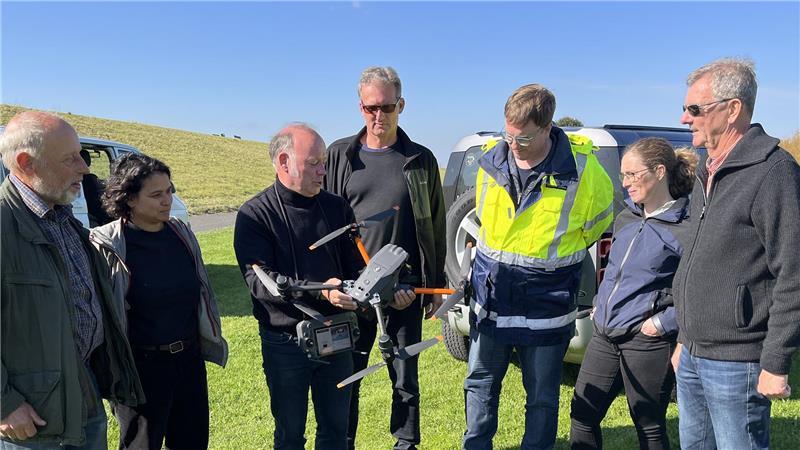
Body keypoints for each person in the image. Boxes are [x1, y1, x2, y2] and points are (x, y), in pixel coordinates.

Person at [464, 84, 614, 450]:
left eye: (525, 138)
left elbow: (597, 224)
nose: (513, 144)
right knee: (480, 385)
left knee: (542, 398)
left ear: (548, 127)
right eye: (508, 134)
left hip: (546, 307)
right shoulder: (490, 160)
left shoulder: (584, 172)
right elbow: (486, 221)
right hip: (492, 302)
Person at [672, 58, 800, 449]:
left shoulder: (773, 172)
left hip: (738, 361)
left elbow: (793, 273)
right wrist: (683, 338)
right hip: (692, 351)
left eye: (695, 109)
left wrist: (775, 362)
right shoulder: (705, 170)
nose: (684, 118)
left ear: (733, 109)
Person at [0, 111, 144, 449]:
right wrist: (4, 404)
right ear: (26, 162)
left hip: (83, 385)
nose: (84, 167)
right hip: (32, 413)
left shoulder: (62, 218)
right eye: (71, 158)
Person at [324, 66, 446, 450]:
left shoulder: (420, 159)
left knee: (405, 376)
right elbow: (327, 223)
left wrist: (432, 288)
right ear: (360, 107)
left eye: (388, 107)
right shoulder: (339, 155)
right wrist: (334, 285)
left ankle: (405, 443)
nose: (379, 117)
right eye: (371, 108)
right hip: (351, 292)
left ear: (401, 105)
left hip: (404, 290)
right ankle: (342, 442)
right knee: (349, 375)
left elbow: (434, 226)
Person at [233, 124, 366, 450]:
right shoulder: (255, 214)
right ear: (283, 161)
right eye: (314, 163)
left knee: (336, 429)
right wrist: (321, 290)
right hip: (285, 342)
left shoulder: (336, 208)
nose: (324, 170)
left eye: (324, 161)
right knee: (290, 434)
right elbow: (260, 283)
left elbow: (356, 265)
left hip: (335, 336)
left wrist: (368, 286)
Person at [90, 153, 228, 450]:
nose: (167, 200)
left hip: (189, 361)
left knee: (192, 443)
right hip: (141, 369)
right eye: (156, 195)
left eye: (169, 191)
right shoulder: (108, 245)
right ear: (128, 199)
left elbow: (201, 292)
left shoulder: (182, 234)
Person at [569, 138, 698, 449]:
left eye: (631, 174)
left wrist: (663, 324)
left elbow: (696, 290)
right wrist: (600, 303)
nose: (624, 183)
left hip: (647, 341)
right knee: (582, 415)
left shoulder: (688, 228)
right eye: (622, 175)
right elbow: (614, 270)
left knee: (649, 426)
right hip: (604, 333)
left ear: (659, 171)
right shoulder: (626, 217)